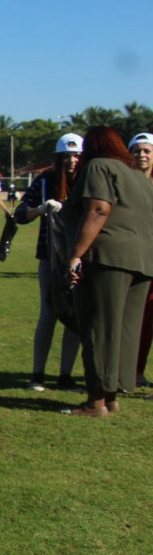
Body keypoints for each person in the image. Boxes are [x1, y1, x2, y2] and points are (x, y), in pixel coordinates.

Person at [62, 127, 153, 416]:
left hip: (108, 257)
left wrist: (76, 254)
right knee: (125, 329)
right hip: (142, 261)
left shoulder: (99, 167)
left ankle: (96, 401)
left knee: (98, 327)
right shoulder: (138, 176)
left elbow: (98, 210)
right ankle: (112, 395)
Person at [13, 133, 83, 392]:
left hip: (80, 257)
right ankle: (38, 374)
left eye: (76, 156)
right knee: (49, 313)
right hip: (50, 256)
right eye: (66, 156)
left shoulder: (88, 180)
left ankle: (65, 375)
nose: (71, 161)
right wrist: (41, 209)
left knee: (75, 316)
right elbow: (21, 214)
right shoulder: (46, 180)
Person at [129, 133, 153, 389]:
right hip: (133, 259)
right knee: (137, 320)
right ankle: (133, 371)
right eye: (137, 150)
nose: (142, 154)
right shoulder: (124, 183)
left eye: (147, 150)